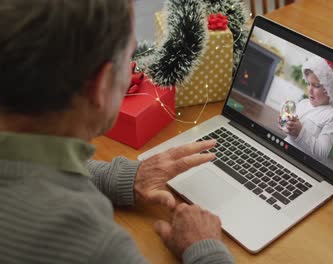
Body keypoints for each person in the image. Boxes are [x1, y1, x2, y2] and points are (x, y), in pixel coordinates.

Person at [0, 1, 234, 263]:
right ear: (101, 85)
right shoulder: (96, 245)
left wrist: (122, 177)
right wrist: (205, 248)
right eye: (131, 57)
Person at [282, 55, 333, 159]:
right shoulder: (303, 103)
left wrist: (300, 132)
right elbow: (288, 130)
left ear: (330, 90)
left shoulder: (331, 117)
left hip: (301, 162)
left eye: (316, 85)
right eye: (308, 84)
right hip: (283, 150)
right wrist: (285, 124)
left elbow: (322, 152)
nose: (310, 90)